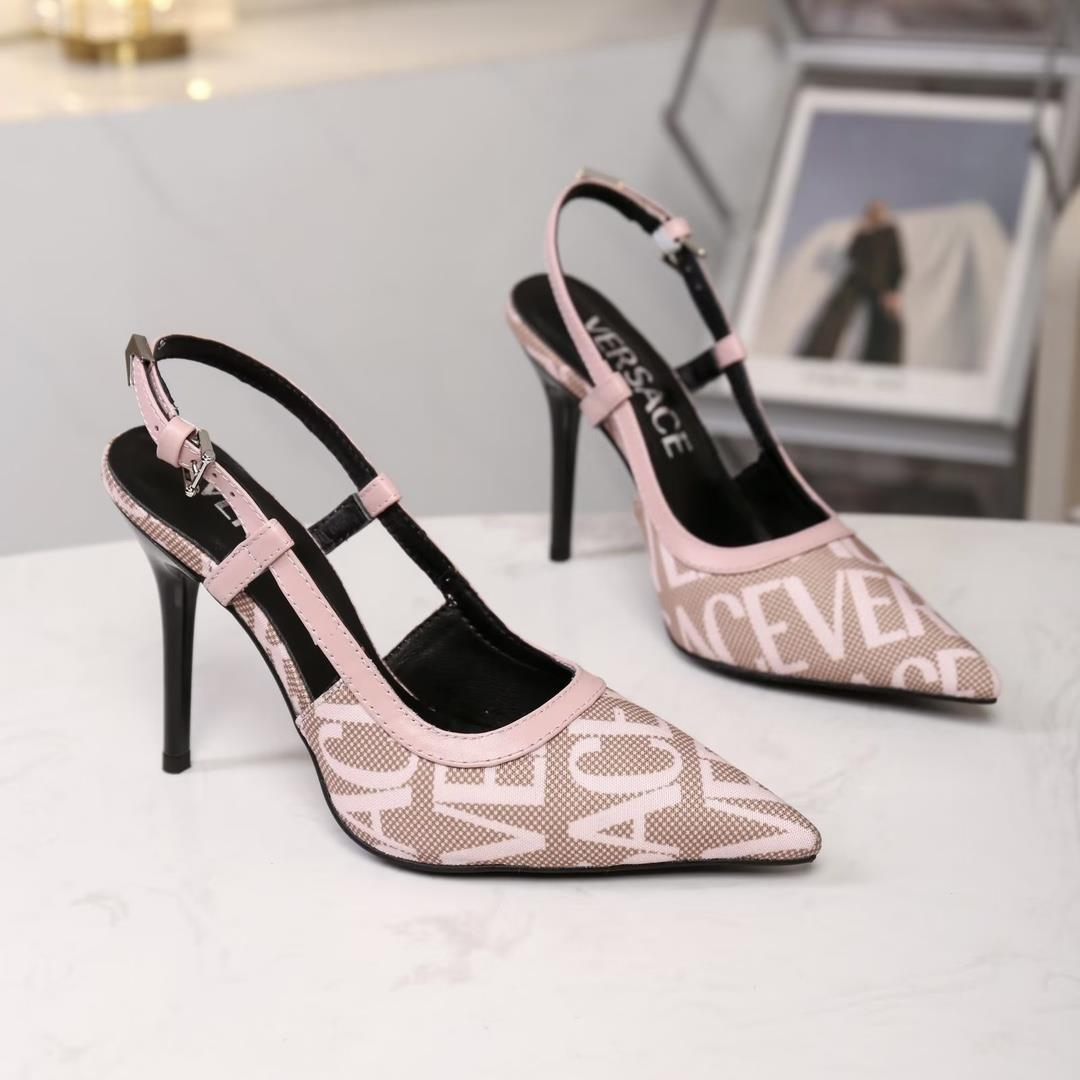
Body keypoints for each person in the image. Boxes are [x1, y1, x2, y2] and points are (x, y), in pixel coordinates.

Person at [803, 199, 905, 364]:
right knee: (836, 310)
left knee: (886, 319)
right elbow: (852, 255)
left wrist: (894, 289)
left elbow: (897, 262)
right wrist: (861, 233)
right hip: (857, 279)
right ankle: (816, 356)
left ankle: (882, 365)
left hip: (881, 282)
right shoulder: (863, 233)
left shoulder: (890, 232)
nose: (875, 214)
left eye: (878, 211)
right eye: (871, 211)